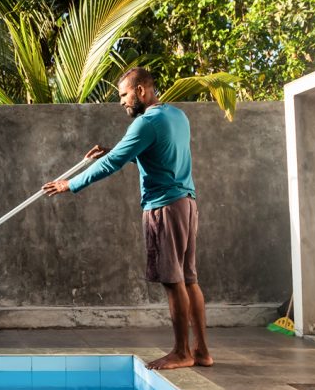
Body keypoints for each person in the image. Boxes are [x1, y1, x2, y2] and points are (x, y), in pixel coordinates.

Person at [42, 67, 213, 370]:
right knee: (189, 279)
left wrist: (70, 183)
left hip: (163, 207)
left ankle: (182, 352)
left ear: (142, 91)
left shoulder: (145, 122)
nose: (121, 101)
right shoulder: (176, 116)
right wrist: (117, 150)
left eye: (124, 94)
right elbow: (159, 152)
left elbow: (112, 165)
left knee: (173, 282)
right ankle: (201, 352)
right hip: (187, 203)